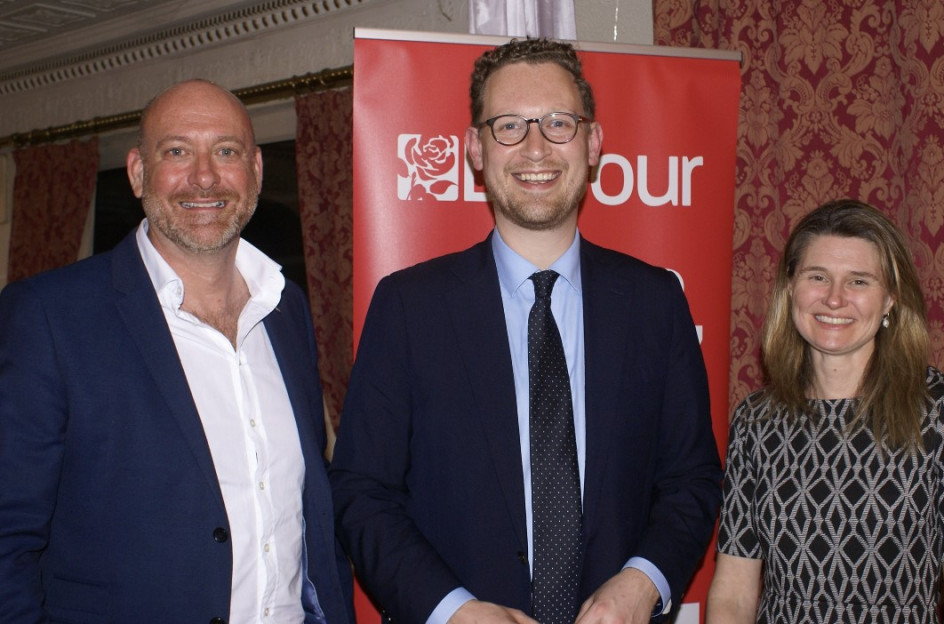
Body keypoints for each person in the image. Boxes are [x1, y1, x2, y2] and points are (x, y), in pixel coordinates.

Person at [331, 38, 722, 624]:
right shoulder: (409, 307)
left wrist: (644, 583)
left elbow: (691, 480)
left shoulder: (656, 302)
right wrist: (453, 612)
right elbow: (363, 494)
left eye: (559, 123)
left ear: (593, 143)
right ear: (476, 149)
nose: (535, 148)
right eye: (509, 125)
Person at [0, 79, 355, 623]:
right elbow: (8, 539)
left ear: (256, 170)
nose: (205, 176)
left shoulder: (287, 311)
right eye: (177, 151)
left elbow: (306, 509)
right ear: (139, 171)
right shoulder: (50, 317)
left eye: (226, 151)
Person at [706, 199, 944, 623]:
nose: (835, 299)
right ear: (790, 288)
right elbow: (733, 594)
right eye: (818, 277)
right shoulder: (757, 420)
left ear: (890, 300)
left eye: (859, 281)